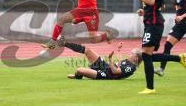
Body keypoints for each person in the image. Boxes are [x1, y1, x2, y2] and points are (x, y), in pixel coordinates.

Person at [57, 36, 186, 80]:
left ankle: (77, 76)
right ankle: (65, 43)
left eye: (132, 53)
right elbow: (119, 64)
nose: (130, 53)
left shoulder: (131, 68)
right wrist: (118, 50)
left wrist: (110, 59)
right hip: (107, 67)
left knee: (80, 69)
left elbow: (115, 71)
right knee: (88, 50)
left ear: (135, 59)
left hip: (107, 75)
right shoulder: (128, 62)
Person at [129, 0, 165, 94]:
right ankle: (178, 58)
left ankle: (150, 88)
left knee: (146, 54)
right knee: (147, 54)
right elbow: (160, 6)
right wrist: (145, 12)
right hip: (153, 22)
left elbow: (151, 1)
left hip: (154, 24)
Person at [154, 0, 186, 77]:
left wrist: (182, 16)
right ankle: (161, 69)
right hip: (180, 25)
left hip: (183, 22)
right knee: (167, 45)